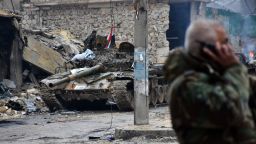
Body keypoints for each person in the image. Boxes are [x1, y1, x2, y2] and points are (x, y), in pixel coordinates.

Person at [164, 19, 256, 144]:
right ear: (207, 49)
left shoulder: (216, 74)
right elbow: (233, 109)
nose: (230, 48)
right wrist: (234, 68)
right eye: (224, 43)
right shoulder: (185, 86)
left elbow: (248, 89)